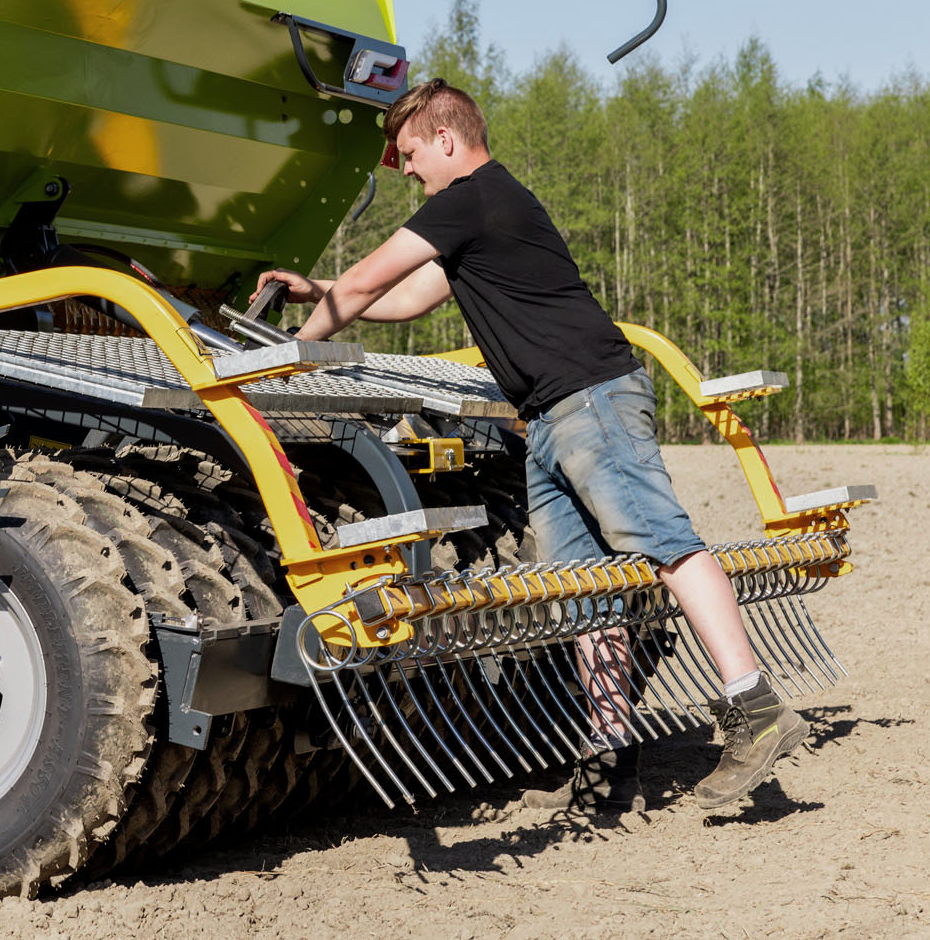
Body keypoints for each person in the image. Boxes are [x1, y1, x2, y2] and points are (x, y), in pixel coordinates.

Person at [251, 77, 806, 812]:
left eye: (411, 153)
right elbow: (404, 297)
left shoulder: (471, 197)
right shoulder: (480, 214)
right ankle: (610, 752)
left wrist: (280, 359)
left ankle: (755, 705)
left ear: (446, 140)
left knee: (666, 543)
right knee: (587, 592)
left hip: (591, 400)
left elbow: (362, 283)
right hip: (545, 419)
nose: (408, 170)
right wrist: (309, 288)